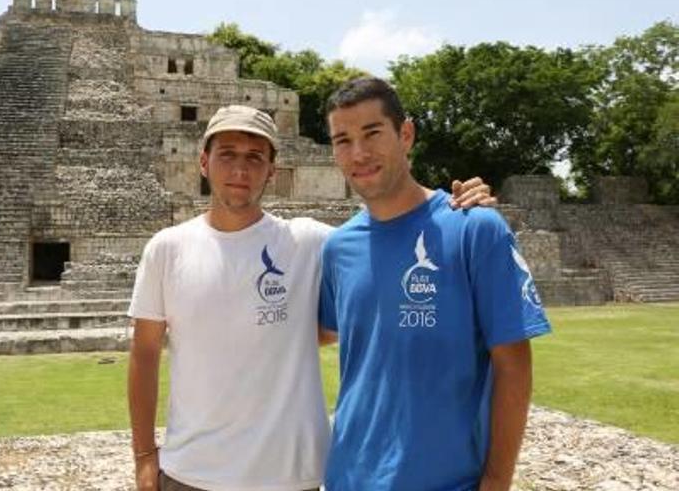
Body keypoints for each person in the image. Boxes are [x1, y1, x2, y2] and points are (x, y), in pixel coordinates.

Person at [127, 104, 494, 491]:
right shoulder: (167, 249)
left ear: (272, 169)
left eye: (255, 157)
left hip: (291, 474)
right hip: (191, 472)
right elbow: (145, 352)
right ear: (203, 162)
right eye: (227, 154)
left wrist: (456, 210)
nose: (240, 170)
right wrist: (144, 456)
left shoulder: (310, 242)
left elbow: (393, 233)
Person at [318, 77, 552, 491]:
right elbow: (326, 336)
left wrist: (497, 480)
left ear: (405, 134)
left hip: (446, 480)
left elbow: (514, 364)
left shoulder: (474, 228)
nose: (359, 153)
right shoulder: (338, 247)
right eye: (342, 140)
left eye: (372, 133)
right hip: (348, 477)